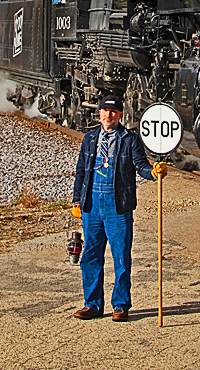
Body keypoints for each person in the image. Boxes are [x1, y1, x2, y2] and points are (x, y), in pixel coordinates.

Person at [71, 94, 167, 322]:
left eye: (113, 112)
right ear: (99, 113)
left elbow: (140, 166)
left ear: (120, 115)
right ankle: (92, 304)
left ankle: (121, 305)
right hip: (92, 205)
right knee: (91, 256)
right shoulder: (90, 138)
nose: (108, 115)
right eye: (105, 111)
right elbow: (81, 171)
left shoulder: (130, 138)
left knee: (121, 257)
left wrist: (154, 173)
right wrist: (77, 200)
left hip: (119, 206)